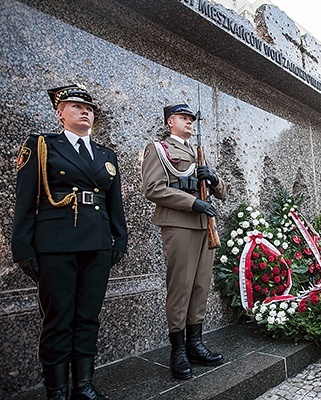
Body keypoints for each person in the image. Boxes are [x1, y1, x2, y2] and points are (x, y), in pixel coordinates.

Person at [11, 84, 128, 399]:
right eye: (76, 106)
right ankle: (57, 390)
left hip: (98, 243)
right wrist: (22, 247)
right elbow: (25, 200)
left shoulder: (106, 154)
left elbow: (113, 201)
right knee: (58, 318)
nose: (85, 111)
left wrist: (119, 239)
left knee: (88, 316)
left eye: (88, 107)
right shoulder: (43, 145)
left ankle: (84, 386)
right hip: (56, 243)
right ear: (60, 112)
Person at [141, 102, 227, 380]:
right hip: (179, 223)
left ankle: (195, 344)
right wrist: (193, 203)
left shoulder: (197, 152)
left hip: (205, 225)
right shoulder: (159, 149)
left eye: (192, 118)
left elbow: (222, 192)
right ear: (170, 122)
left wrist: (213, 179)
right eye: (184, 117)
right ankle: (177, 350)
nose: (190, 122)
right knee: (181, 286)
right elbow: (153, 188)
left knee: (201, 285)